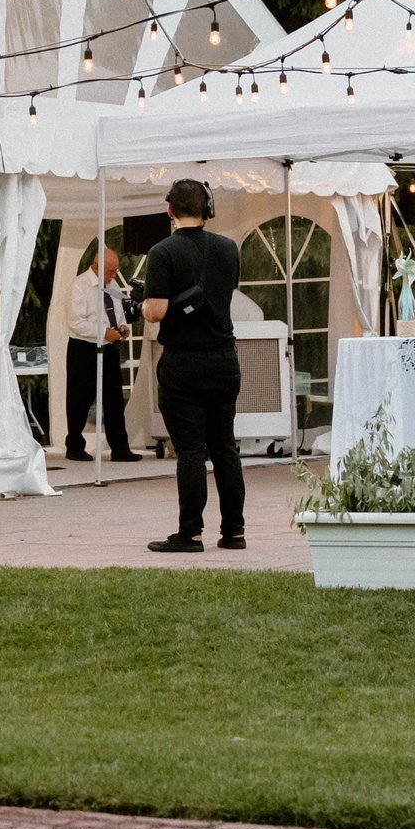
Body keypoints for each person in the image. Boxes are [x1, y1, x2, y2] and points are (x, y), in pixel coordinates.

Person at [140, 179, 245, 552]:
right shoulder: (228, 249)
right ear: (208, 209)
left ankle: (190, 533)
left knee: (190, 452)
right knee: (225, 448)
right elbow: (226, 291)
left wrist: (142, 306)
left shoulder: (162, 252)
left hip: (183, 362)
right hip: (224, 359)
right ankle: (234, 531)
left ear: (169, 211)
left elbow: (156, 312)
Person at [63, 245, 139, 462]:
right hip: (84, 348)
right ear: (96, 266)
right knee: (80, 398)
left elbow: (118, 310)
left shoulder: (112, 285)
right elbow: (75, 321)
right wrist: (104, 332)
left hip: (109, 348)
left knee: (114, 399)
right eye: (110, 271)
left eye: (115, 271)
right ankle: (75, 446)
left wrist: (122, 327)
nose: (114, 276)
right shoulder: (79, 286)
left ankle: (120, 448)